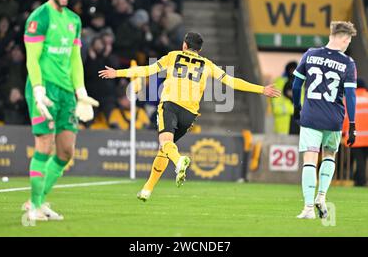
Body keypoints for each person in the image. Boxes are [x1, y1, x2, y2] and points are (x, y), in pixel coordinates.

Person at [99, 32, 281, 201]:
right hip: (190, 114)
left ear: (184, 45)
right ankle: (147, 189)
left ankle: (179, 161)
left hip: (170, 105)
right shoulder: (207, 64)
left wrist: (118, 73)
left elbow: (147, 70)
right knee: (165, 148)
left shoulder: (173, 56)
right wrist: (261, 89)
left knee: (165, 144)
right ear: (199, 49)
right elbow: (232, 82)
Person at [22, 0, 99, 222]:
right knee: (44, 145)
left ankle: (39, 201)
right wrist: (38, 89)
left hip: (67, 92)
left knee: (66, 152)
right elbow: (32, 58)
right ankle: (33, 206)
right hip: (44, 89)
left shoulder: (74, 20)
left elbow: (75, 58)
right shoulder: (39, 17)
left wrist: (81, 91)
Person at [292, 21, 357, 219]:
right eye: (349, 40)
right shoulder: (348, 63)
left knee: (310, 160)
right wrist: (352, 125)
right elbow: (350, 96)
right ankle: (322, 196)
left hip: (311, 116)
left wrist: (297, 109)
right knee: (329, 156)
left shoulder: (310, 54)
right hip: (333, 119)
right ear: (345, 39)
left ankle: (308, 208)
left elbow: (296, 85)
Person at [342, 79, 368, 186]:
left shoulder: (348, 100)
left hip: (356, 137)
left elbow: (344, 118)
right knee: (364, 160)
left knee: (359, 161)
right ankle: (359, 179)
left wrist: (343, 132)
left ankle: (360, 182)